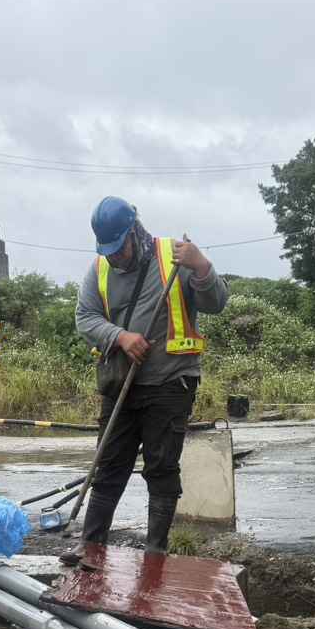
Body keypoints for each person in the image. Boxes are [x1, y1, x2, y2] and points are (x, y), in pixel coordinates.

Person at [68, 196, 229, 561]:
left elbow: (216, 303)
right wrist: (120, 338)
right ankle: (91, 546)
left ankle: (155, 550)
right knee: (108, 465)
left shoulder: (175, 257)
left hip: (171, 382)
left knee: (160, 468)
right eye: (108, 250)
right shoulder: (100, 270)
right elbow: (85, 318)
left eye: (120, 247)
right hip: (121, 385)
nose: (115, 256)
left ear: (135, 232)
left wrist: (202, 266)